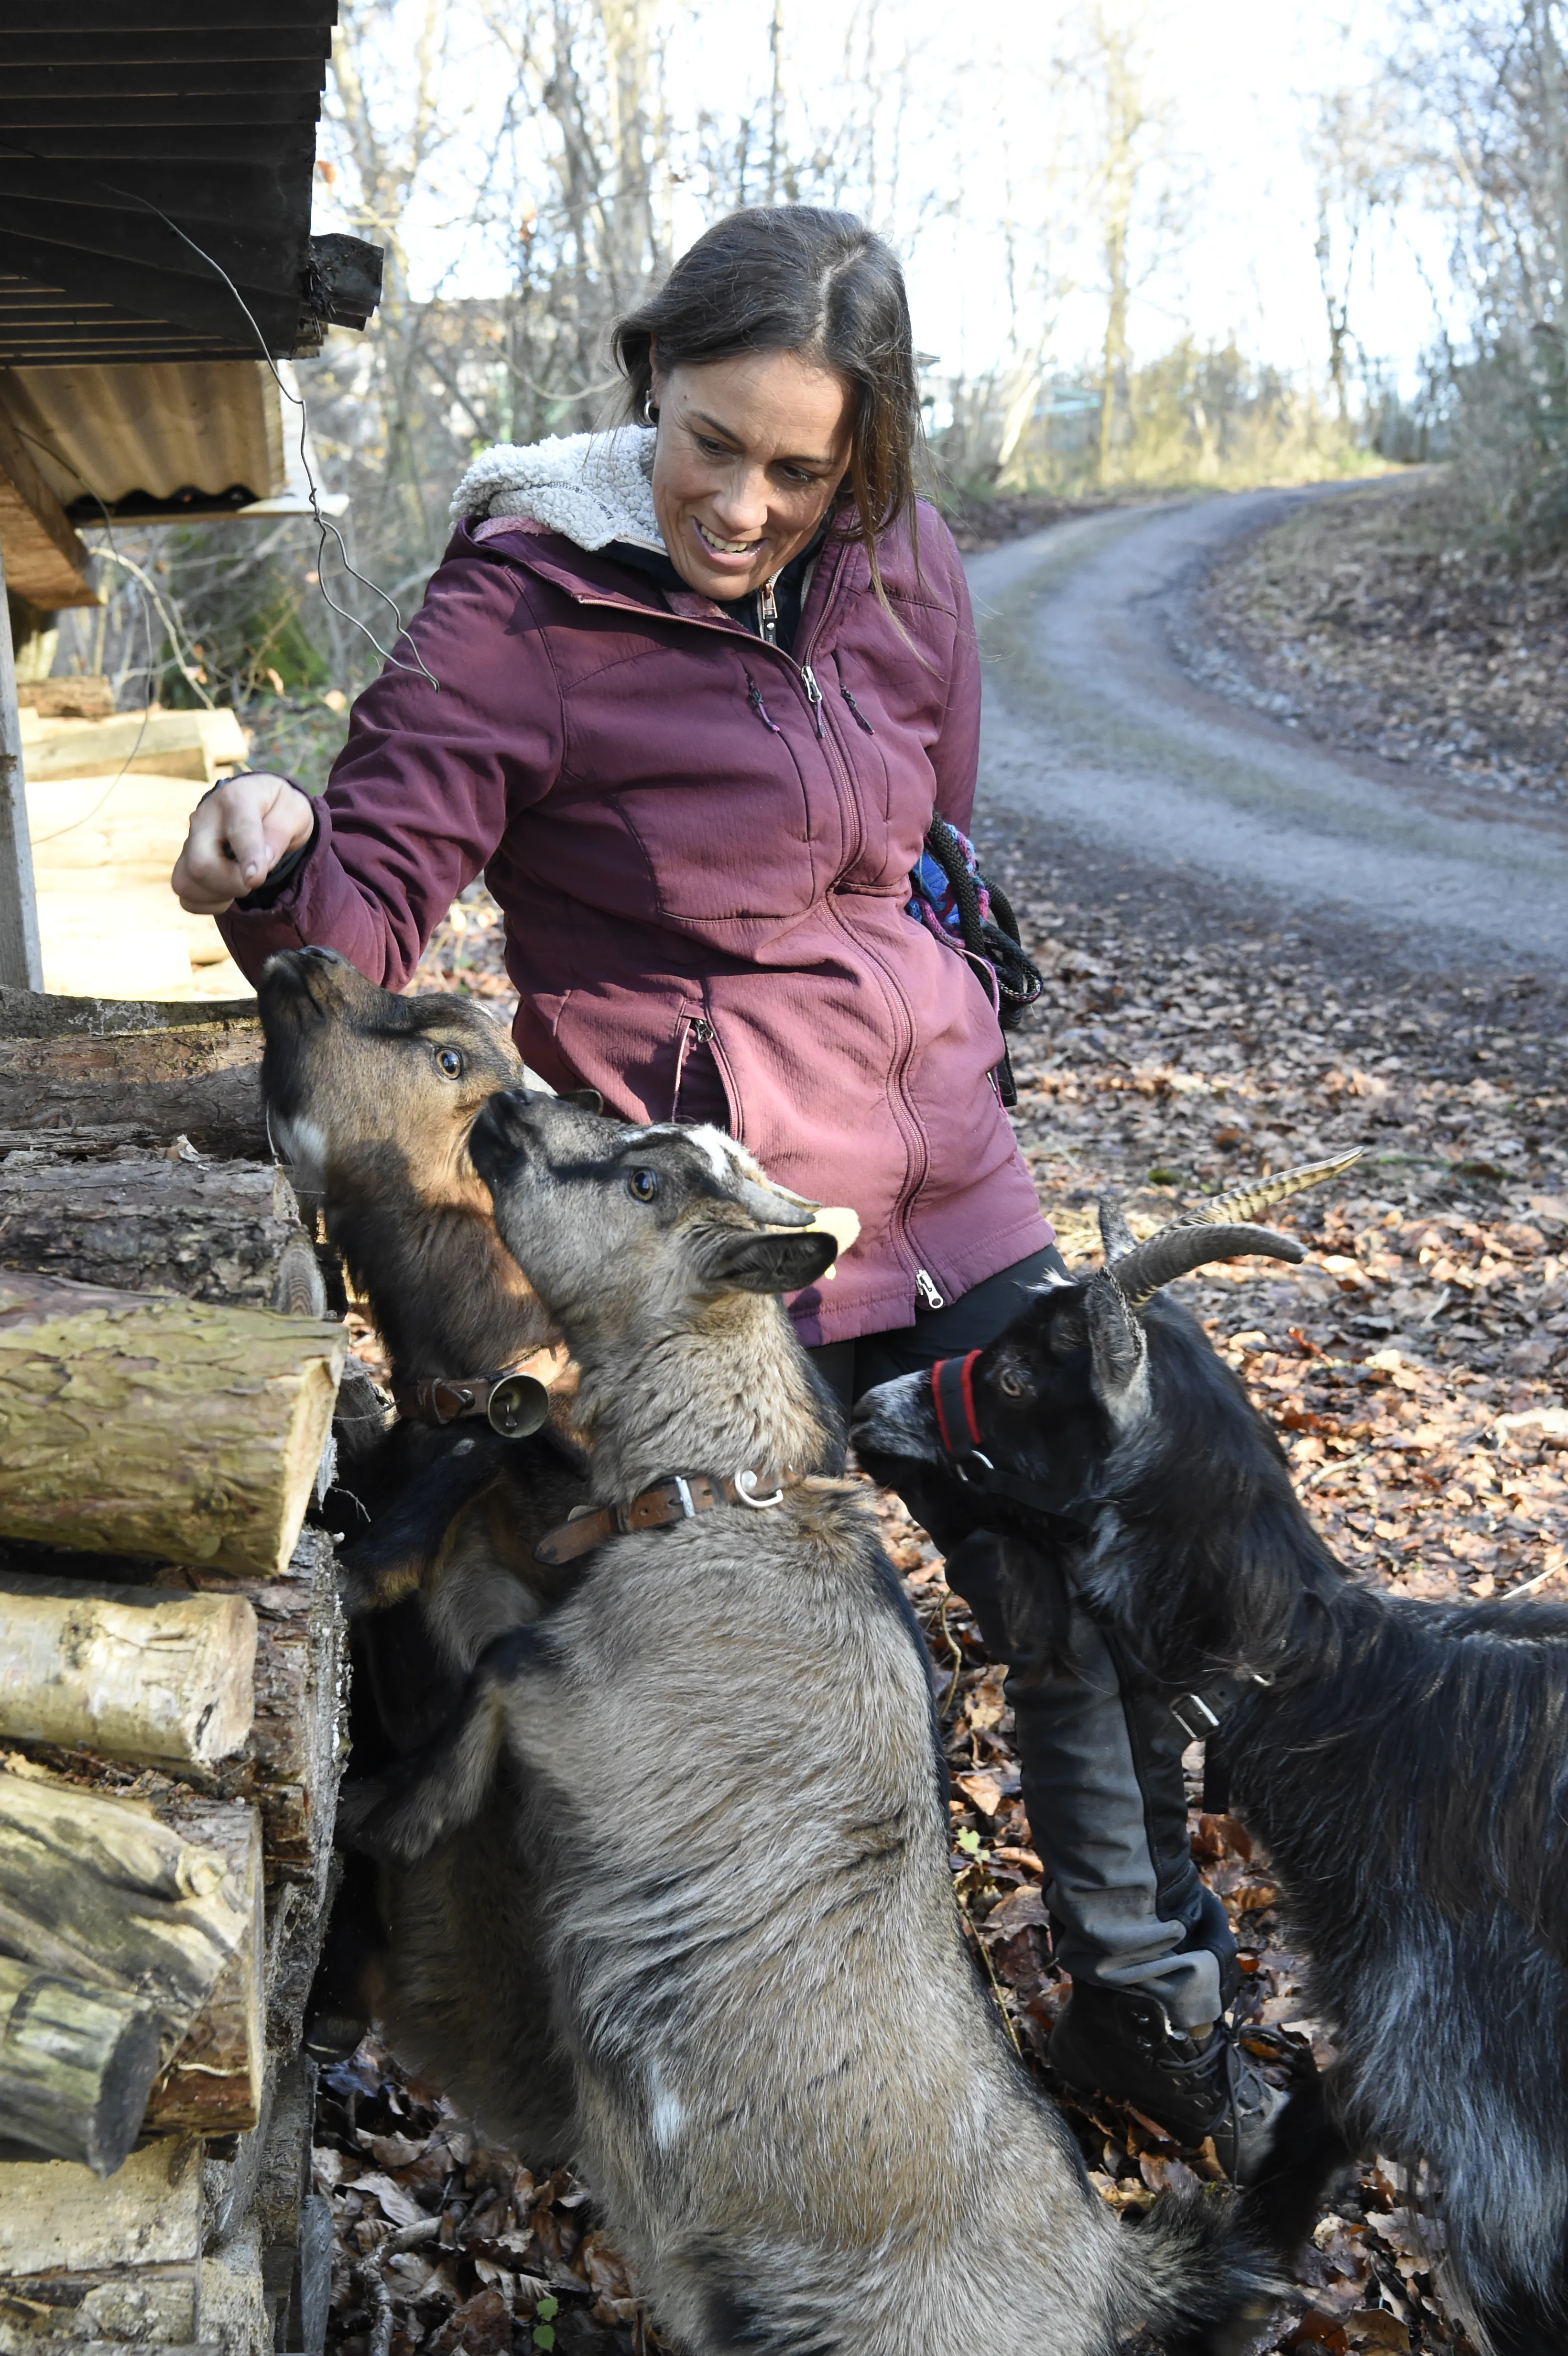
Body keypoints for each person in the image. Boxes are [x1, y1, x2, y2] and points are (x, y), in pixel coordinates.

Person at [174, 203, 1286, 2176]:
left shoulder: (902, 566)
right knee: (831, 1694)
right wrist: (272, 860)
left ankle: (1142, 2011)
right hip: (721, 1271)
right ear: (645, 389)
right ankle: (818, 2137)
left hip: (965, 1192)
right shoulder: (525, 602)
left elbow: (921, 837)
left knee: (1101, 1578)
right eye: (712, 442)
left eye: (802, 466)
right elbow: (360, 912)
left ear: (866, 459)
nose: (746, 503)